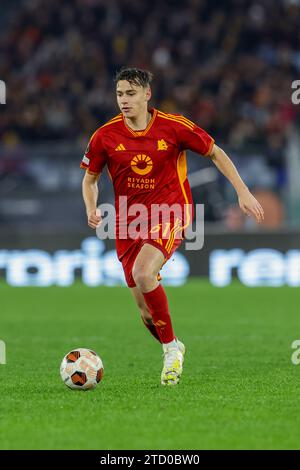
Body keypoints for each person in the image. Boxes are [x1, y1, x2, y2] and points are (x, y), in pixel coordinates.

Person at [80, 67, 264, 386]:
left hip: (171, 210)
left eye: (131, 93)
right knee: (145, 312)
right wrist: (91, 206)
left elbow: (215, 152)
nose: (124, 100)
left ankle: (169, 353)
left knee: (143, 272)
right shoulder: (104, 136)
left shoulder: (173, 127)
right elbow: (90, 179)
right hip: (127, 222)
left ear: (147, 94)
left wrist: (242, 190)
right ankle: (173, 344)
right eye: (120, 94)